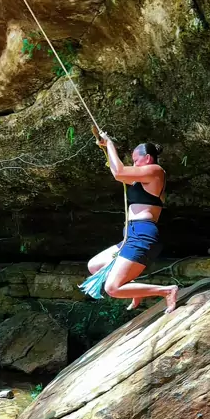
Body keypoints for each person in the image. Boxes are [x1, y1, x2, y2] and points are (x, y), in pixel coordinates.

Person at [87, 131, 178, 312]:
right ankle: (135, 290)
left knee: (112, 288)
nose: (134, 164)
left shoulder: (156, 171)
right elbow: (118, 173)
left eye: (136, 160)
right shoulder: (140, 180)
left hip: (142, 235)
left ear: (148, 158)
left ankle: (167, 291)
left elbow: (119, 172)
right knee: (95, 266)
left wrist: (110, 144)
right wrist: (106, 148)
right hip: (130, 235)